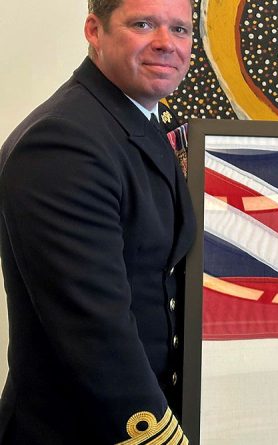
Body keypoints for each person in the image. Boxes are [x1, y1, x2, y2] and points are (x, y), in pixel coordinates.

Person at [0, 0, 194, 442]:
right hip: (82, 428)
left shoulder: (137, 120)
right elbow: (96, 329)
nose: (167, 44)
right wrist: (162, 437)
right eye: (143, 24)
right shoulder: (63, 142)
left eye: (180, 30)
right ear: (94, 30)